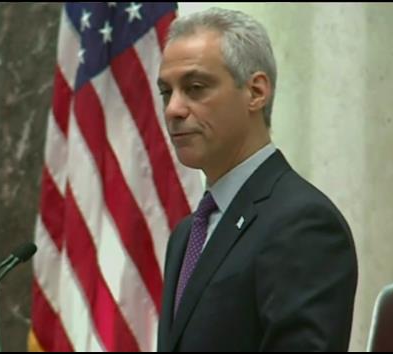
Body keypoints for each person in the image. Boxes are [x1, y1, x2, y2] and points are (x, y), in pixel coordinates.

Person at [156, 7, 358, 352]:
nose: (173, 109)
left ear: (256, 92)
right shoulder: (187, 234)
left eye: (195, 87)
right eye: (166, 92)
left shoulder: (303, 224)